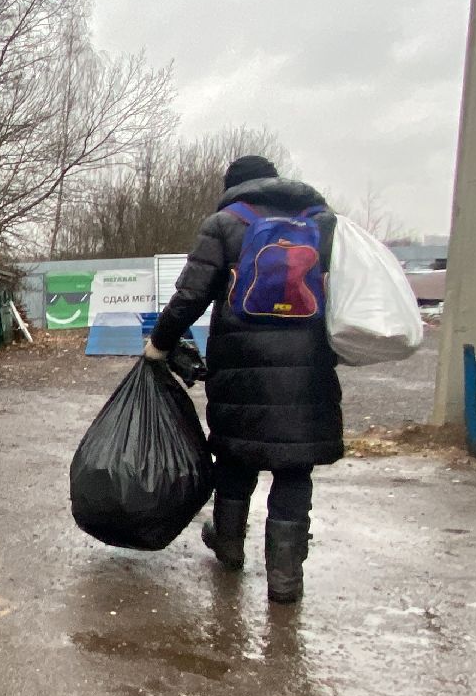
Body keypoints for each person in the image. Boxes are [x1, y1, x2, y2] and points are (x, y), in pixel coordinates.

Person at [142, 155, 342, 604]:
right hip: (307, 367)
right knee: (294, 470)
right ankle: (285, 580)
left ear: (234, 186)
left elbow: (190, 295)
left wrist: (159, 343)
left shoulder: (227, 223)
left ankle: (229, 547)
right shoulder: (324, 224)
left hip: (239, 364)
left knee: (235, 457)